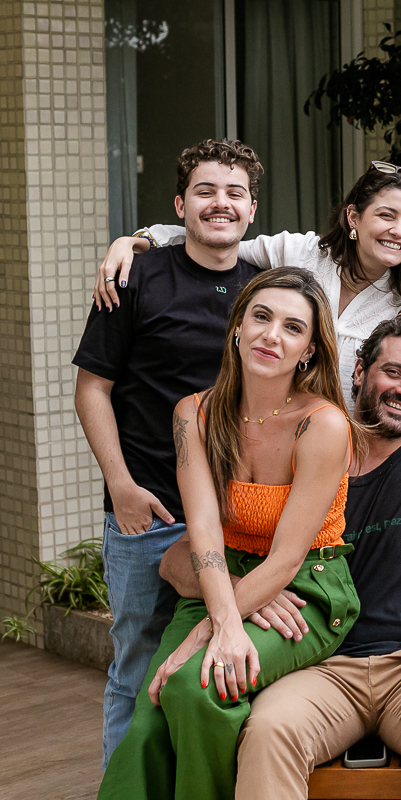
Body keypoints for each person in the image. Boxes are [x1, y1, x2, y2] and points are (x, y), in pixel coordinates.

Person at [160, 314, 401, 800]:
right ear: (359, 372)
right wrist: (239, 598)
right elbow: (177, 559)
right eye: (394, 372)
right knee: (269, 731)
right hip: (317, 665)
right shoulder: (301, 445)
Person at [97, 268, 361, 800]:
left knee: (199, 690)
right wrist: (224, 616)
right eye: (261, 317)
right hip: (219, 577)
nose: (272, 336)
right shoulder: (192, 414)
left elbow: (286, 560)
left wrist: (209, 633)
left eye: (293, 328)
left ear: (309, 350)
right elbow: (204, 537)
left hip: (305, 591)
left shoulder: (324, 424)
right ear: (237, 327)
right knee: (148, 718)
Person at [73, 138, 263, 769]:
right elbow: (92, 389)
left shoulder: (261, 294)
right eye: (206, 191)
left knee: (213, 666)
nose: (220, 204)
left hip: (234, 516)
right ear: (180, 205)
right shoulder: (137, 277)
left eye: (234, 192)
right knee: (136, 664)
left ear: (252, 209)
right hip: (147, 512)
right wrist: (121, 487)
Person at [91, 162, 401, 410]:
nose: (399, 231)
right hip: (273, 445)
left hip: (354, 457)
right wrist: (139, 241)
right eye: (387, 216)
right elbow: (222, 242)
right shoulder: (300, 253)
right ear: (354, 218)